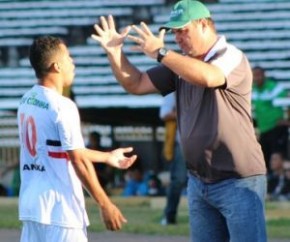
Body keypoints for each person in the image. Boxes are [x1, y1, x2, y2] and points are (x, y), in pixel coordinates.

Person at [91, 1, 267, 241]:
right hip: (199, 180)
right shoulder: (181, 63)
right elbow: (137, 84)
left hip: (238, 180)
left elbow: (209, 76)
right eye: (174, 32)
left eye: (183, 30)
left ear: (204, 24)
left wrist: (161, 53)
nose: (178, 38)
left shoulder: (231, 55)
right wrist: (115, 53)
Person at [17, 36, 137, 242]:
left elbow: (63, 149)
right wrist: (105, 204)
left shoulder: (27, 99)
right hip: (60, 210)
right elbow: (77, 159)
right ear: (56, 66)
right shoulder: (63, 106)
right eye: (69, 58)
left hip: (33, 206)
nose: (73, 63)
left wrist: (107, 156)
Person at [252, 66, 289, 171]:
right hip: (263, 130)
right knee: (265, 161)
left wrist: (288, 121)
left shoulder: (275, 88)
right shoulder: (252, 90)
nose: (256, 78)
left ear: (264, 75)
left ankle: (283, 183)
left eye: (258, 75)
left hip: (277, 129)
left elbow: (287, 101)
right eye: (254, 76)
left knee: (277, 159)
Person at [159, 92, 187, 225]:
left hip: (205, 143)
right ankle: (169, 216)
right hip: (182, 144)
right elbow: (164, 114)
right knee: (179, 180)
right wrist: (185, 114)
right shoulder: (173, 93)